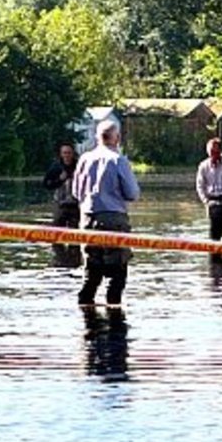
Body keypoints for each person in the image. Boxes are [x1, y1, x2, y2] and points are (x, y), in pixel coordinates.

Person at [72, 120, 141, 306]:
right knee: (116, 273)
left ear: (97, 137)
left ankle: (88, 321)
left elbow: (76, 193)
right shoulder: (119, 160)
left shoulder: (84, 159)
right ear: (117, 138)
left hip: (87, 219)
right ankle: (115, 322)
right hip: (114, 220)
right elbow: (132, 194)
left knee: (91, 273)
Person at [43, 143, 81, 267]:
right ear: (61, 154)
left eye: (69, 153)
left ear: (73, 153)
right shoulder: (56, 167)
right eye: (64, 153)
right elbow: (46, 184)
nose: (67, 156)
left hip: (76, 205)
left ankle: (74, 261)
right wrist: (60, 179)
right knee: (55, 235)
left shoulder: (79, 166)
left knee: (75, 236)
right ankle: (60, 260)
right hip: (61, 205)